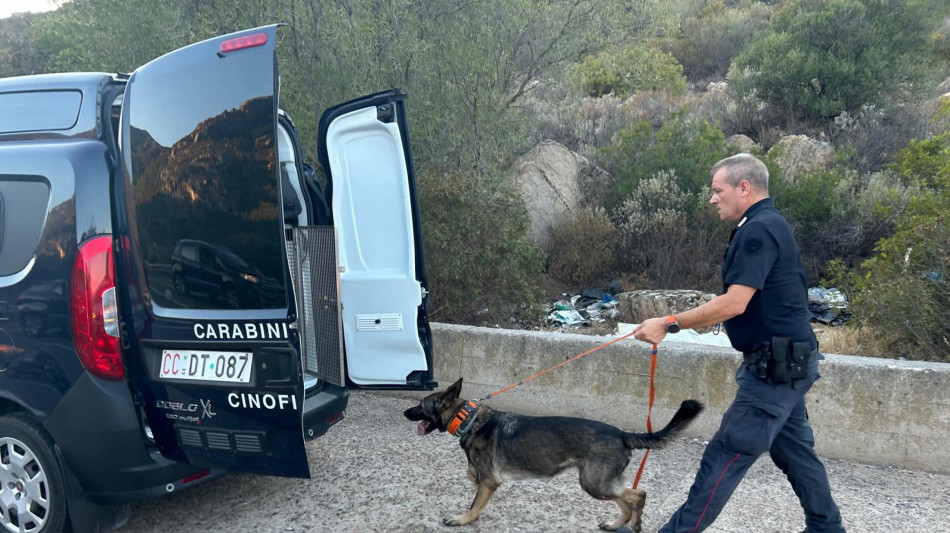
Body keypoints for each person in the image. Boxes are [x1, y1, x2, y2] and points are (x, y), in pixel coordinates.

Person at [633, 153, 845, 533]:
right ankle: (826, 528)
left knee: (725, 454)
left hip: (774, 372)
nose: (712, 199)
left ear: (744, 188)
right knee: (794, 452)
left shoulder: (759, 229)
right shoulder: (767, 224)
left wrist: (668, 323)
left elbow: (734, 302)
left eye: (718, 190)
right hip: (790, 364)